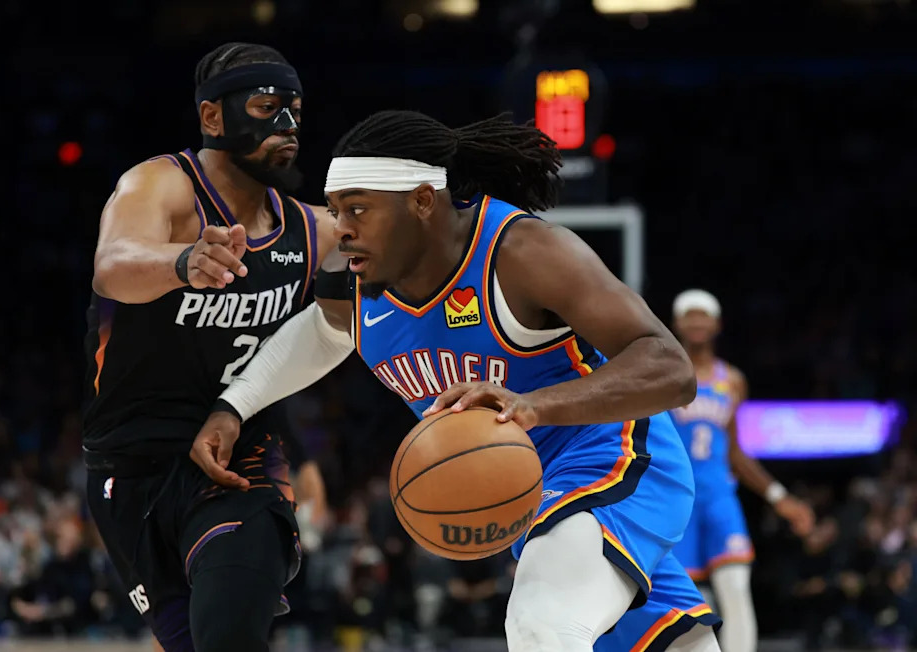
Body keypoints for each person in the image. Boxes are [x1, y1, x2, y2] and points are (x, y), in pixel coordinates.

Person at [193, 110, 722, 651]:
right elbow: (325, 334)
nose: (341, 226)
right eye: (335, 210)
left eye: (357, 209)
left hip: (615, 459)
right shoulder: (352, 275)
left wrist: (534, 405)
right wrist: (235, 405)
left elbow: (670, 368)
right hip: (530, 491)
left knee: (542, 625)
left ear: (422, 202)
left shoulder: (522, 252)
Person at [81, 42, 353, 652]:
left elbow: (342, 325)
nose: (286, 127)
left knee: (231, 633)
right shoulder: (162, 185)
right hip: (127, 466)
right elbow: (114, 265)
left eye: (295, 111)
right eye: (265, 106)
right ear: (212, 118)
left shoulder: (315, 229)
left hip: (240, 461)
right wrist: (184, 261)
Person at [669, 289, 816, 652]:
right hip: (677, 499)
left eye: (704, 315)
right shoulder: (665, 376)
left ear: (717, 324)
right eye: (690, 315)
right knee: (684, 603)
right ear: (676, 324)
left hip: (720, 496)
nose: (697, 322)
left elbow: (735, 451)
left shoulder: (732, 379)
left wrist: (779, 497)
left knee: (735, 588)